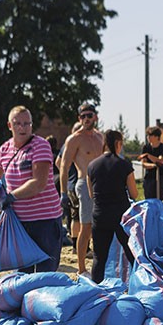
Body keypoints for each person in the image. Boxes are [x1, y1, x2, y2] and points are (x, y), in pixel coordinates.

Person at [0, 106, 64, 273]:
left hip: (45, 222)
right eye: (17, 124)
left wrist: (10, 197)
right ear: (10, 125)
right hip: (19, 224)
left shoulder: (41, 146)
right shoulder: (5, 149)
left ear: (32, 125)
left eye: (27, 123)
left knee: (46, 275)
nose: (22, 128)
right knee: (21, 276)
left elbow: (39, 183)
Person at [85, 129, 138, 283]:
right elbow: (134, 194)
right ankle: (138, 286)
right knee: (131, 254)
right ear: (118, 144)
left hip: (100, 215)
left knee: (99, 258)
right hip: (121, 216)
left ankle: (96, 292)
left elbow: (90, 194)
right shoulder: (124, 165)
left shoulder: (92, 165)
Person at [59, 103, 105, 275]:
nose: (86, 119)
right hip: (84, 185)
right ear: (79, 119)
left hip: (103, 185)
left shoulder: (101, 137)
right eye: (83, 116)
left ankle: (101, 265)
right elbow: (63, 167)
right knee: (86, 227)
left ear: (95, 117)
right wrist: (63, 193)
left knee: (102, 226)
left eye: (89, 115)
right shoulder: (74, 139)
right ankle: (81, 268)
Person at [138, 126, 163, 202]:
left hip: (161, 178)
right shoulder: (146, 147)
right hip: (149, 178)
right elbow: (144, 164)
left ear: (156, 137)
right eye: (147, 135)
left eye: (150, 135)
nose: (148, 137)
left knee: (162, 199)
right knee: (149, 200)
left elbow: (160, 161)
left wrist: (148, 155)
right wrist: (154, 165)